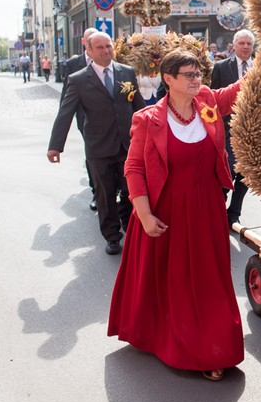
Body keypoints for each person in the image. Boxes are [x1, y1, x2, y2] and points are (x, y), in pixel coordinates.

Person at [108, 50, 245, 382]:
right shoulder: (147, 118)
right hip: (167, 210)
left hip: (208, 208)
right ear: (168, 79)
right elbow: (135, 168)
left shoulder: (208, 103)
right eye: (189, 75)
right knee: (177, 281)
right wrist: (143, 215)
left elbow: (239, 91)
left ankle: (214, 344)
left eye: (199, 73)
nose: (197, 80)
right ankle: (188, 347)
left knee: (209, 279)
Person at [47, 32, 145, 254]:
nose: (105, 51)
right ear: (89, 51)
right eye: (99, 47)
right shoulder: (79, 79)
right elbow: (65, 113)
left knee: (131, 189)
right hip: (98, 147)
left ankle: (128, 223)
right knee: (105, 193)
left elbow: (138, 106)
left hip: (127, 145)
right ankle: (112, 236)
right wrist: (55, 145)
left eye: (108, 46)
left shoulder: (126, 72)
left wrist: (155, 132)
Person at [210, 28, 255, 227]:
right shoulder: (220, 67)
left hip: (254, 130)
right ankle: (218, 207)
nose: (245, 47)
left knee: (247, 174)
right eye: (242, 43)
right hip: (227, 130)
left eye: (249, 44)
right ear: (234, 45)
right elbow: (214, 98)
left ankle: (233, 213)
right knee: (226, 170)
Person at [61, 27, 99, 211]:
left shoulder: (110, 57)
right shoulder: (73, 64)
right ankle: (97, 192)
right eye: (90, 39)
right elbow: (66, 96)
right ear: (84, 42)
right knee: (93, 155)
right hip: (85, 118)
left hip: (108, 116)